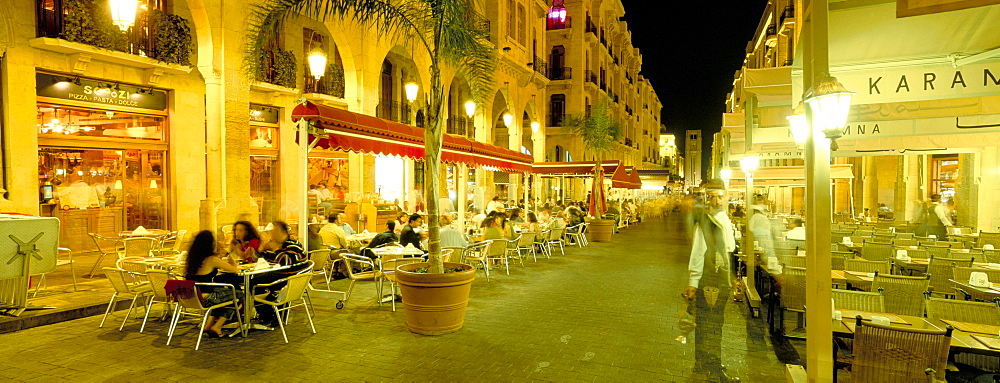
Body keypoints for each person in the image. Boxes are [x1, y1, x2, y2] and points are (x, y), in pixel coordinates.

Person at [682, 179, 737, 381]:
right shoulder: (705, 221)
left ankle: (703, 362)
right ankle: (713, 369)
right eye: (712, 197)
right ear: (707, 199)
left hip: (721, 279)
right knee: (711, 326)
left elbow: (728, 249)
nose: (717, 201)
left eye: (720, 196)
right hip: (710, 281)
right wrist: (693, 283)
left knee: (709, 324)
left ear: (726, 197)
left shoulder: (724, 219)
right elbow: (697, 254)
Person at [184, 230, 242, 338]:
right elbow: (234, 269)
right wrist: (229, 253)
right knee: (238, 294)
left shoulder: (191, 259)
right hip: (207, 298)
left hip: (191, 297)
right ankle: (217, 326)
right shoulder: (212, 260)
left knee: (224, 297)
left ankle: (208, 325)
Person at [253, 221, 308, 328]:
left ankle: (268, 314)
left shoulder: (292, 244)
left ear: (283, 232)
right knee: (254, 280)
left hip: (289, 280)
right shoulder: (281, 246)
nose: (271, 234)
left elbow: (284, 261)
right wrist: (262, 249)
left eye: (274, 231)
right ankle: (266, 313)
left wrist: (273, 250)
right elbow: (261, 257)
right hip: (284, 277)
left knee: (254, 283)